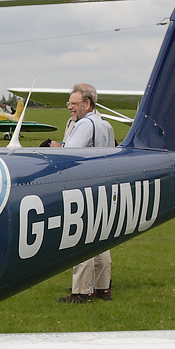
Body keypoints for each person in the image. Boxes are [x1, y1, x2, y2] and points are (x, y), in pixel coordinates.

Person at [48, 83, 115, 304]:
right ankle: (103, 287)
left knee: (82, 237)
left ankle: (82, 291)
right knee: (101, 236)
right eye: (69, 103)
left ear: (87, 104)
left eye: (74, 103)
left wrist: (56, 147)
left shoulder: (85, 125)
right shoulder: (105, 124)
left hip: (85, 186)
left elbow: (69, 156)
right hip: (104, 184)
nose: (70, 107)